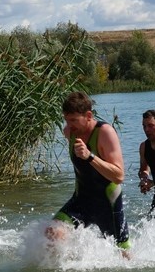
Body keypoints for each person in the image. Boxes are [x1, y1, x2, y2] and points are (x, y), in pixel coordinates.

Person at [48, 92, 130, 250]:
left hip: (107, 203)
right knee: (52, 234)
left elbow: (119, 176)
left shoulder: (105, 133)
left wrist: (89, 156)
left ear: (88, 116)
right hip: (81, 200)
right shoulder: (69, 132)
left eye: (73, 120)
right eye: (66, 120)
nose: (69, 125)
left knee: (122, 253)